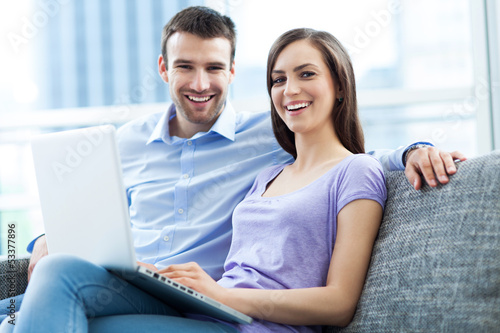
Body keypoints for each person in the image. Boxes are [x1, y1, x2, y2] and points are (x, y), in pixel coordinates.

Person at [0, 6, 465, 330]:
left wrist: (415, 149)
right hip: (133, 281)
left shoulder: (272, 133)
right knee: (38, 281)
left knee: (38, 300)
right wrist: (44, 240)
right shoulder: (123, 143)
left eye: (214, 68)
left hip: (204, 302)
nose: (200, 83)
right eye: (186, 67)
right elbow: (80, 216)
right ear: (164, 69)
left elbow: (354, 157)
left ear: (232, 72)